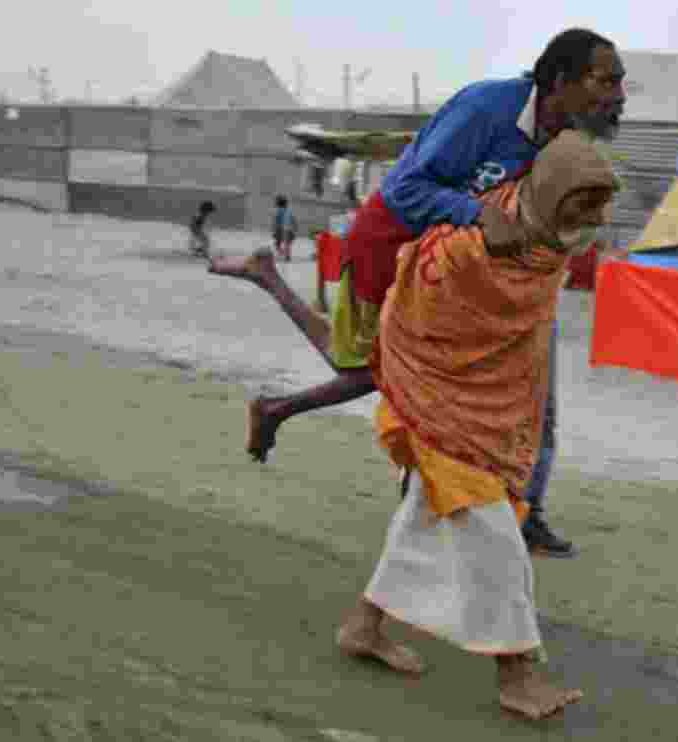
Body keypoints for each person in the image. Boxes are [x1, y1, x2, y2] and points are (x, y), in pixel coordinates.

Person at [209, 27, 627, 556]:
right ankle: (279, 386)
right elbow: (406, 188)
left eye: (621, 82)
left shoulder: (567, 135)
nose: (619, 94)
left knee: (521, 392)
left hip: (463, 269)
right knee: (378, 375)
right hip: (392, 245)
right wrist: (477, 212)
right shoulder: (486, 108)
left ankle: (521, 514)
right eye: (606, 80)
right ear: (561, 81)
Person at [336, 130, 619, 720]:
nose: (596, 216)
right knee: (497, 542)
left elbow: (515, 329)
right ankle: (517, 673)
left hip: (486, 409)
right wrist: (443, 377)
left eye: (600, 202)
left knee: (421, 517)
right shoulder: (473, 239)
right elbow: (423, 297)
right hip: (436, 397)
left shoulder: (545, 244)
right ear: (551, 191)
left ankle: (364, 625)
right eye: (583, 202)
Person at [272, 195, 299, 262]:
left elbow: (276, 221)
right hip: (289, 230)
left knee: (278, 244)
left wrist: (274, 230)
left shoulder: (278, 211)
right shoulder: (289, 211)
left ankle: (283, 253)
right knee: (287, 244)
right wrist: (295, 228)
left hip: (281, 229)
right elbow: (294, 219)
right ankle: (287, 256)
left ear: (278, 203)